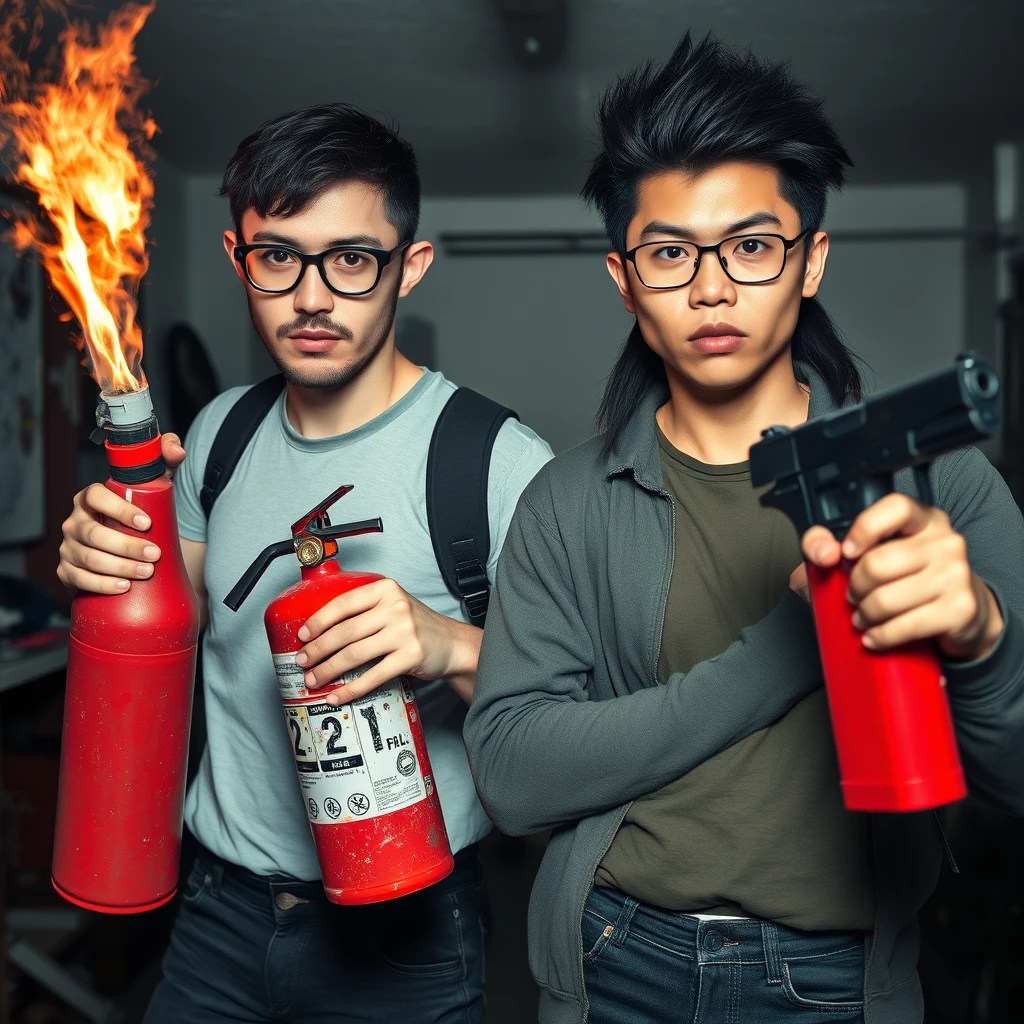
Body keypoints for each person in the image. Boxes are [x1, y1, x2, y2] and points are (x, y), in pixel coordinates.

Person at [464, 32, 1024, 1024]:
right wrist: (789, 644)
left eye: (751, 245)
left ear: (809, 261)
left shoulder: (938, 480)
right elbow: (512, 775)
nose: (711, 287)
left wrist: (980, 637)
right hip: (613, 961)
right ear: (624, 279)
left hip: (841, 979)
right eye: (669, 252)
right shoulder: (567, 501)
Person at [57, 102, 552, 1023]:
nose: (312, 297)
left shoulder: (497, 461)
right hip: (217, 915)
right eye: (278, 256)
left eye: (352, 259)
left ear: (411, 268)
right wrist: (107, 554)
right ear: (239, 258)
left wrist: (454, 647)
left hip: (405, 933)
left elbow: (579, 722)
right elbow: (176, 622)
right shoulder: (220, 434)